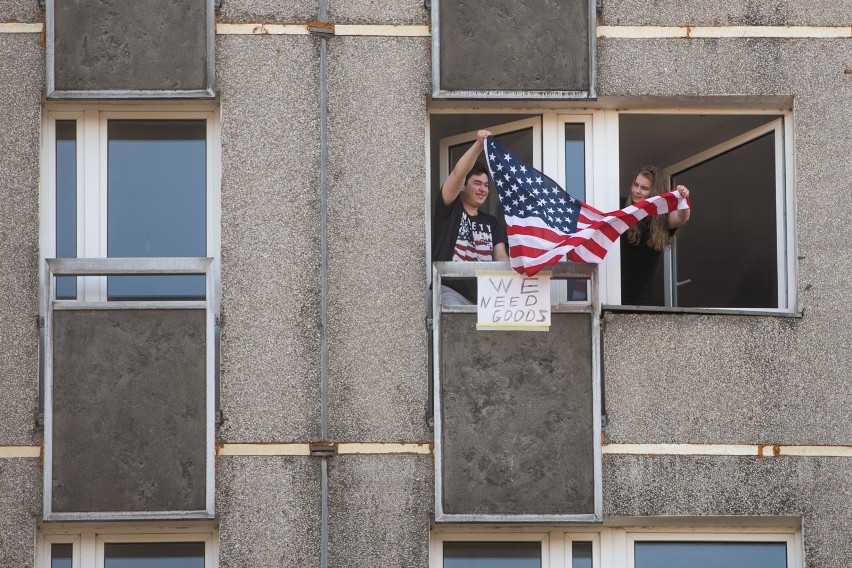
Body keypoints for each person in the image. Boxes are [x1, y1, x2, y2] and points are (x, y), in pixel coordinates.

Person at [432, 129, 509, 305]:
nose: (483, 189)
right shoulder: (450, 209)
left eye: (486, 185)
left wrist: (521, 266)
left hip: (486, 298)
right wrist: (479, 145)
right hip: (451, 290)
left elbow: (500, 257)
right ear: (462, 187)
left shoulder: (492, 222)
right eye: (477, 183)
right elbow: (457, 174)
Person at [620, 166, 691, 306]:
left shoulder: (660, 218)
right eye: (635, 184)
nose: (637, 191)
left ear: (654, 192)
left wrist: (683, 198)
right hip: (611, 292)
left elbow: (682, 217)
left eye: (644, 188)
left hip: (640, 299)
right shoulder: (620, 206)